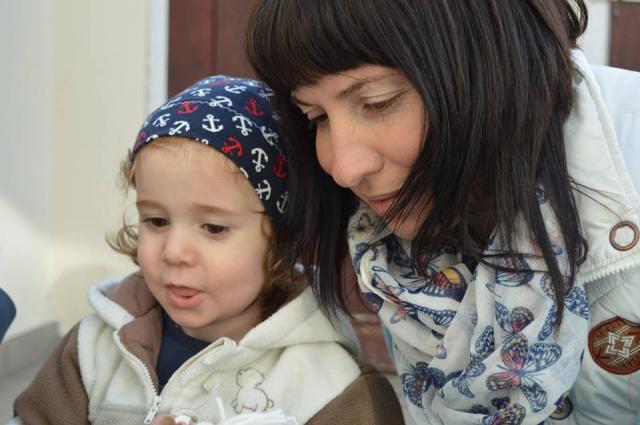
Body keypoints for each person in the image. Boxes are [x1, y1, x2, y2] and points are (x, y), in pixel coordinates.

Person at [246, 1, 640, 424]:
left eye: (378, 102)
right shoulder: (392, 259)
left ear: (488, 59)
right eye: (318, 117)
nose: (344, 169)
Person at [10, 76, 404, 424]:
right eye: (156, 221)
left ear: (284, 238)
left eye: (214, 228)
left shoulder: (330, 389)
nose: (175, 252)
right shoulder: (95, 348)